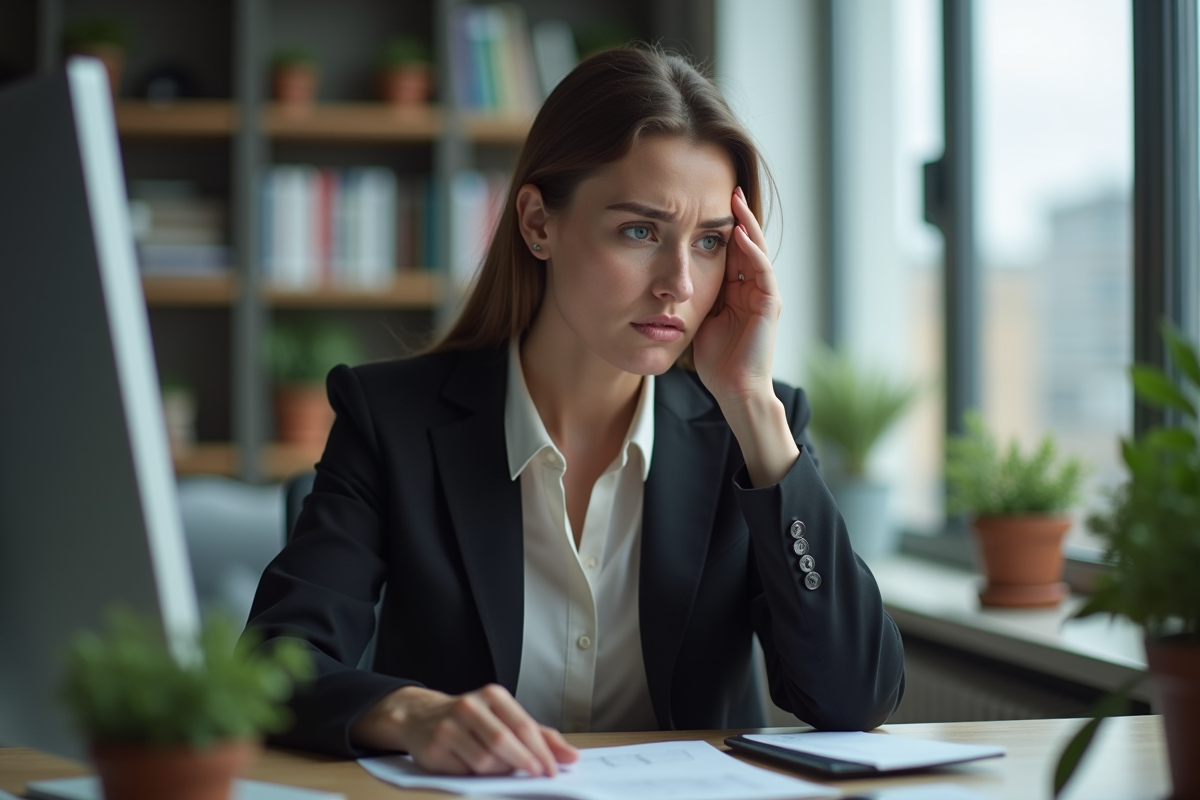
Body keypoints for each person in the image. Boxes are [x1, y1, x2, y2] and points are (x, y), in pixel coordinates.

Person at [245, 46, 905, 776]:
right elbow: (276, 666)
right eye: (639, 231)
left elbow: (855, 697)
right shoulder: (390, 421)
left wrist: (750, 404)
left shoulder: (753, 432)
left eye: (711, 242)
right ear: (537, 223)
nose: (679, 284)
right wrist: (413, 711)